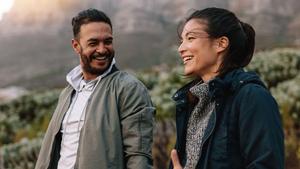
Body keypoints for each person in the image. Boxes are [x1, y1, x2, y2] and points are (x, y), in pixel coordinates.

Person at [35, 8, 155, 169]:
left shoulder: (129, 89)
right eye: (93, 43)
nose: (102, 49)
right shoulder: (68, 93)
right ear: (76, 46)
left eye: (107, 41)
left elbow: (138, 157)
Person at [169, 7, 284, 169]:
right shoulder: (193, 102)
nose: (181, 49)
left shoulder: (252, 97)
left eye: (190, 38)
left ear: (221, 43)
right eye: (181, 41)